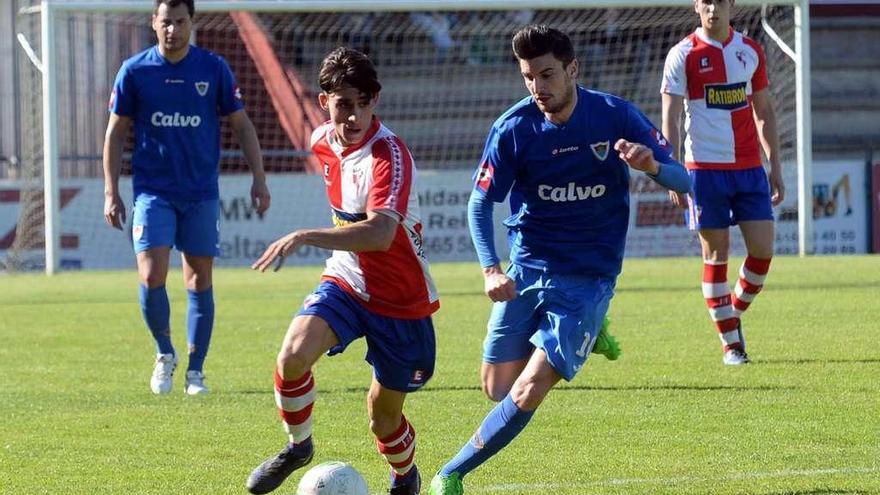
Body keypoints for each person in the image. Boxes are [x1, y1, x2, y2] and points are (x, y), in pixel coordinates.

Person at [429, 25, 691, 495]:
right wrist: (491, 267)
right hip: (527, 267)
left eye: (547, 74)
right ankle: (585, 338)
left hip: (589, 276)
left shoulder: (614, 115)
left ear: (573, 69)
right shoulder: (514, 128)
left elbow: (685, 181)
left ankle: (452, 473)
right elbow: (479, 203)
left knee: (529, 389)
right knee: (496, 387)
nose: (537, 87)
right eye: (528, 76)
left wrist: (651, 166)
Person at [245, 47, 438, 495]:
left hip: (401, 301)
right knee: (292, 357)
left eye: (362, 104)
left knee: (382, 417)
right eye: (342, 105)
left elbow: (378, 235)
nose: (352, 117)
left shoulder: (389, 156)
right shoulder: (320, 142)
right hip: (347, 282)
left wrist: (303, 236)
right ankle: (298, 447)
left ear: (376, 101)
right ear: (323, 102)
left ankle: (405, 476)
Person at [102, 0, 271, 395]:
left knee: (198, 279)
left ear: (192, 23)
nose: (173, 30)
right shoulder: (135, 71)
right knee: (151, 273)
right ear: (154, 23)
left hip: (200, 193)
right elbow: (115, 133)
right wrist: (111, 191)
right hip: (153, 192)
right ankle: (165, 353)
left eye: (180, 22)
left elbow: (243, 126)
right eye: (166, 22)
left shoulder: (213, 69)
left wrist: (259, 179)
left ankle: (196, 370)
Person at [661, 0, 784, 365]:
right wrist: (670, 169)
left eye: (721, 1)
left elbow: (763, 111)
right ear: (696, 6)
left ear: (732, 5)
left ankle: (728, 313)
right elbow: (669, 115)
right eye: (707, 1)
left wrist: (775, 165)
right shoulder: (682, 54)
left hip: (748, 168)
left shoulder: (750, 51)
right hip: (703, 171)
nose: (714, 9)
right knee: (716, 256)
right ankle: (732, 346)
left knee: (762, 253)